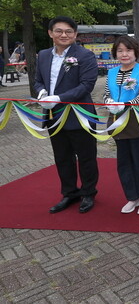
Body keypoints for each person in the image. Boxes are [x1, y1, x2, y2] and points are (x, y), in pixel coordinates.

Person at [35, 16, 99, 214]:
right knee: (62, 157)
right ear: (50, 33)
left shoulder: (85, 55)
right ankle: (69, 193)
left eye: (68, 31)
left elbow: (86, 85)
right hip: (53, 116)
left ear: (75, 34)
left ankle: (88, 193)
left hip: (79, 115)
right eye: (59, 31)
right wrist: (42, 92)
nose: (64, 35)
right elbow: (38, 80)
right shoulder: (43, 55)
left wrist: (59, 98)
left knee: (86, 157)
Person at [103, 35, 139, 215]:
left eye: (128, 50)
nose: (124, 54)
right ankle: (132, 197)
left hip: (137, 121)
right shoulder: (111, 73)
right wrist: (109, 102)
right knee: (124, 163)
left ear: (135, 52)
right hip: (117, 122)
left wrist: (125, 105)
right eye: (120, 51)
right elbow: (106, 93)